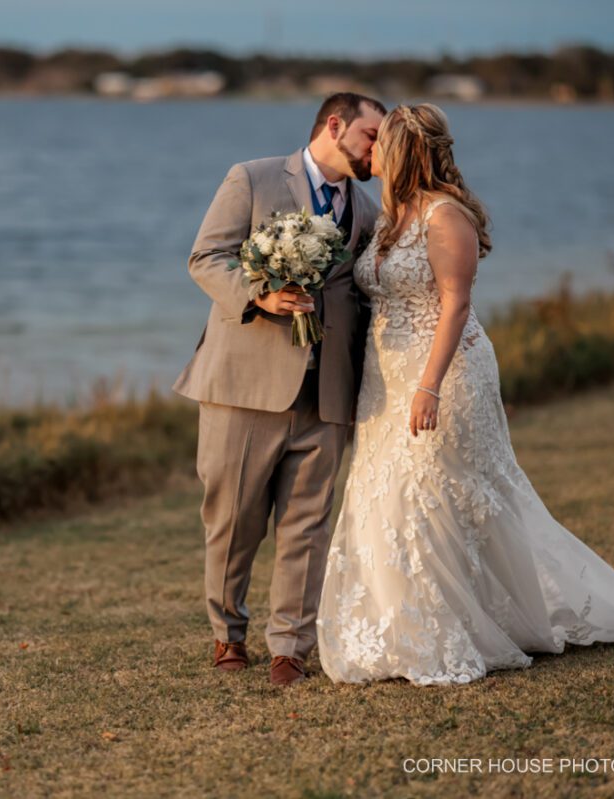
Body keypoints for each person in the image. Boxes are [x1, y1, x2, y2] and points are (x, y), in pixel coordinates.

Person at [315, 103, 614, 686]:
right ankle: (398, 624)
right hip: (384, 378)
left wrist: (429, 386)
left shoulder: (444, 217)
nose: (370, 150)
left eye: (382, 142)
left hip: (445, 371)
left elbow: (455, 305)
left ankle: (458, 624)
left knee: (438, 492)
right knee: (390, 493)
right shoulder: (387, 216)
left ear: (404, 152)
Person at [172, 93, 385, 686]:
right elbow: (204, 258)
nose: (379, 150)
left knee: (308, 526)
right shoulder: (253, 178)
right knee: (234, 520)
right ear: (335, 126)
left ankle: (290, 645)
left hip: (328, 395)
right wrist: (258, 293)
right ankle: (227, 635)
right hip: (244, 388)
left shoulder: (367, 210)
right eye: (372, 136)